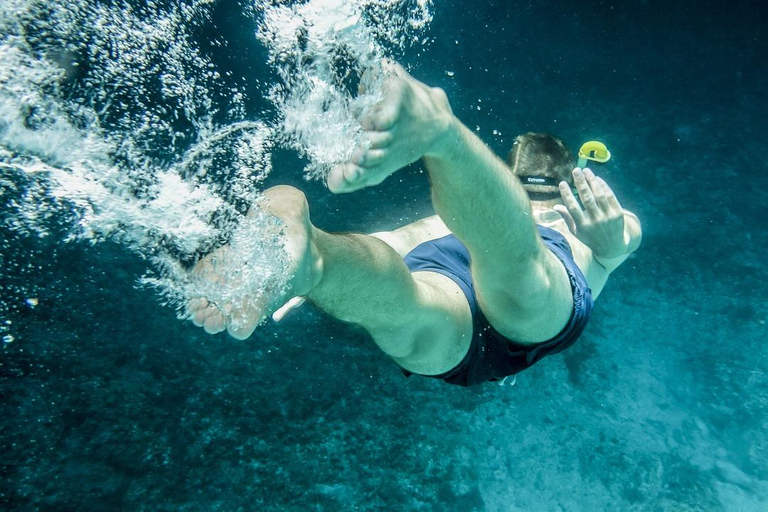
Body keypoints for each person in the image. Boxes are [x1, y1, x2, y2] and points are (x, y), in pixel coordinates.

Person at [188, 62, 642, 387]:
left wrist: (296, 271)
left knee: (405, 303)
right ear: (566, 183)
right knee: (521, 280)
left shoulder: (472, 213)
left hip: (451, 263)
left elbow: (403, 238)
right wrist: (612, 242)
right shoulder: (586, 220)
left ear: (508, 176)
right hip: (510, 296)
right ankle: (443, 136)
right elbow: (622, 236)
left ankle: (316, 259)